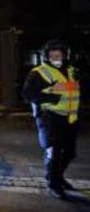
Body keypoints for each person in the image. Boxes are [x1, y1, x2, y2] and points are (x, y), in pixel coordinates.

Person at [23, 39, 81, 199]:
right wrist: (50, 98)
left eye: (59, 53)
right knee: (53, 152)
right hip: (49, 117)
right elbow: (28, 94)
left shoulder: (72, 71)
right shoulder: (38, 72)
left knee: (69, 152)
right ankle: (54, 183)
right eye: (52, 54)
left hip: (70, 118)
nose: (56, 56)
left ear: (65, 55)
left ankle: (57, 176)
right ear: (46, 56)